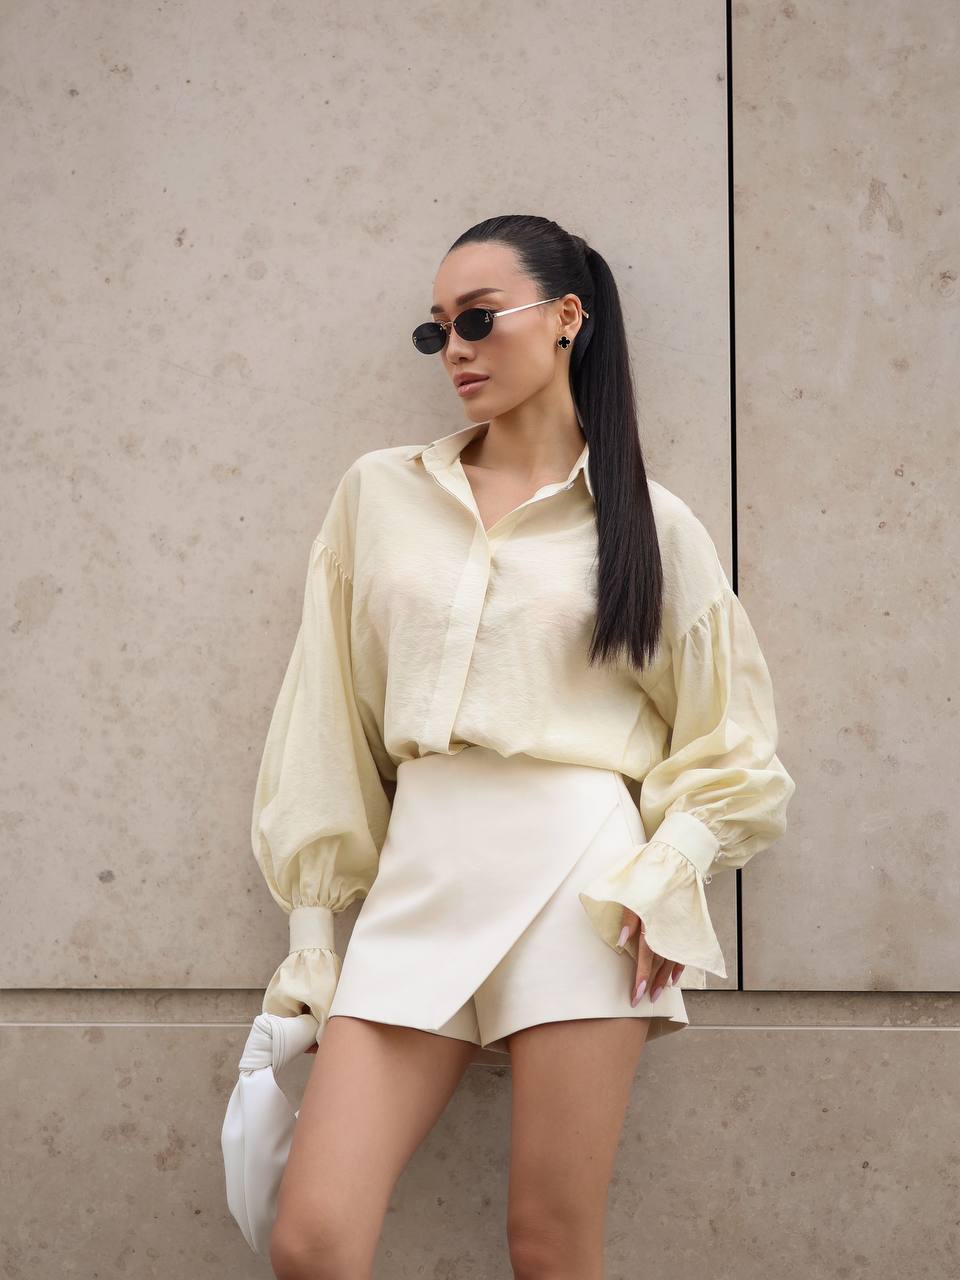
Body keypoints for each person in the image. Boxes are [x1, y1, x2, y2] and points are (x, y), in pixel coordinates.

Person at [252, 215, 797, 1280]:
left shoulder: (652, 522)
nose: (454, 346)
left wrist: (672, 865)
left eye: (476, 318)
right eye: (435, 330)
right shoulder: (380, 493)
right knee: (312, 1240)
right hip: (422, 867)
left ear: (565, 318)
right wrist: (313, 929)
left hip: (581, 881)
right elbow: (325, 715)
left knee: (550, 1246)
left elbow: (736, 742)